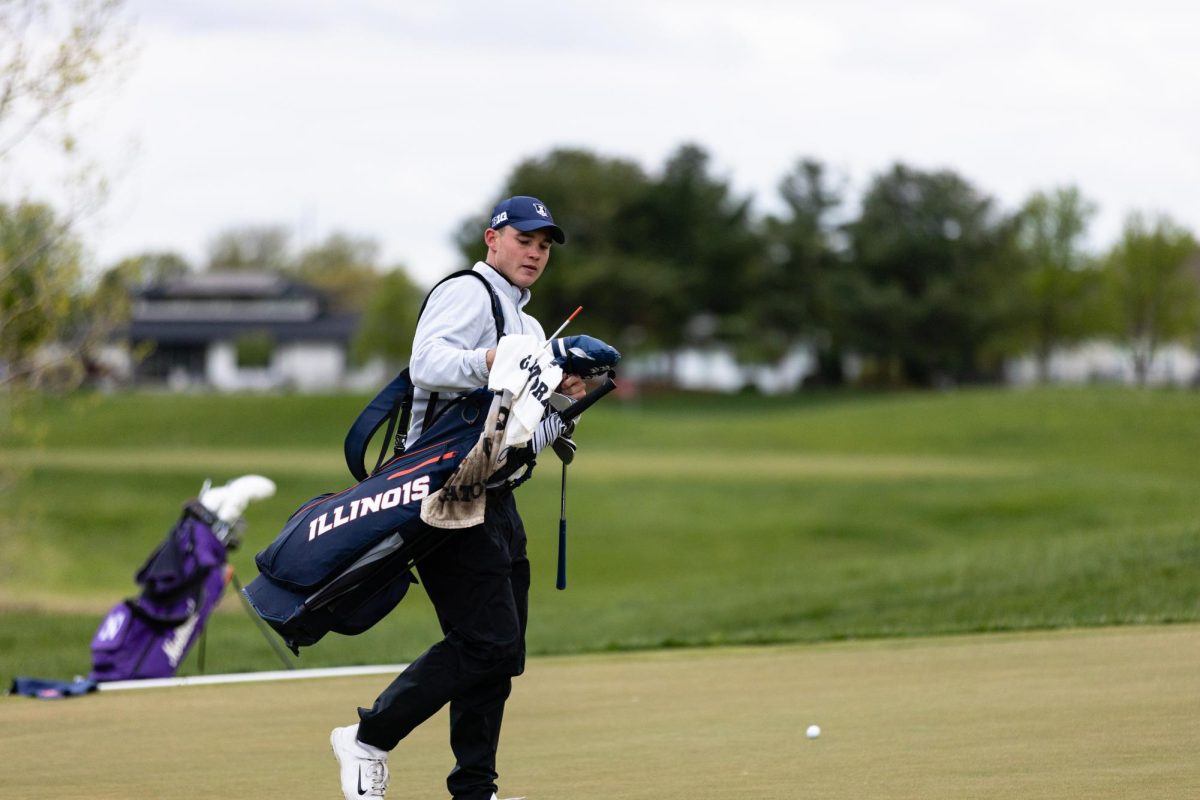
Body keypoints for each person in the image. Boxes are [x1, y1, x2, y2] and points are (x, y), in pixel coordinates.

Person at [330, 195, 616, 800]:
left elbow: (524, 431)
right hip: (444, 491)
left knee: (500, 649)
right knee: (486, 641)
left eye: (543, 246)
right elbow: (427, 364)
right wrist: (498, 360)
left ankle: (474, 788)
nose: (535, 253)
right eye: (524, 240)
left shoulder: (533, 326)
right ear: (492, 239)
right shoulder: (468, 292)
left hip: (497, 497)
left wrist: (566, 399)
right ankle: (367, 739)